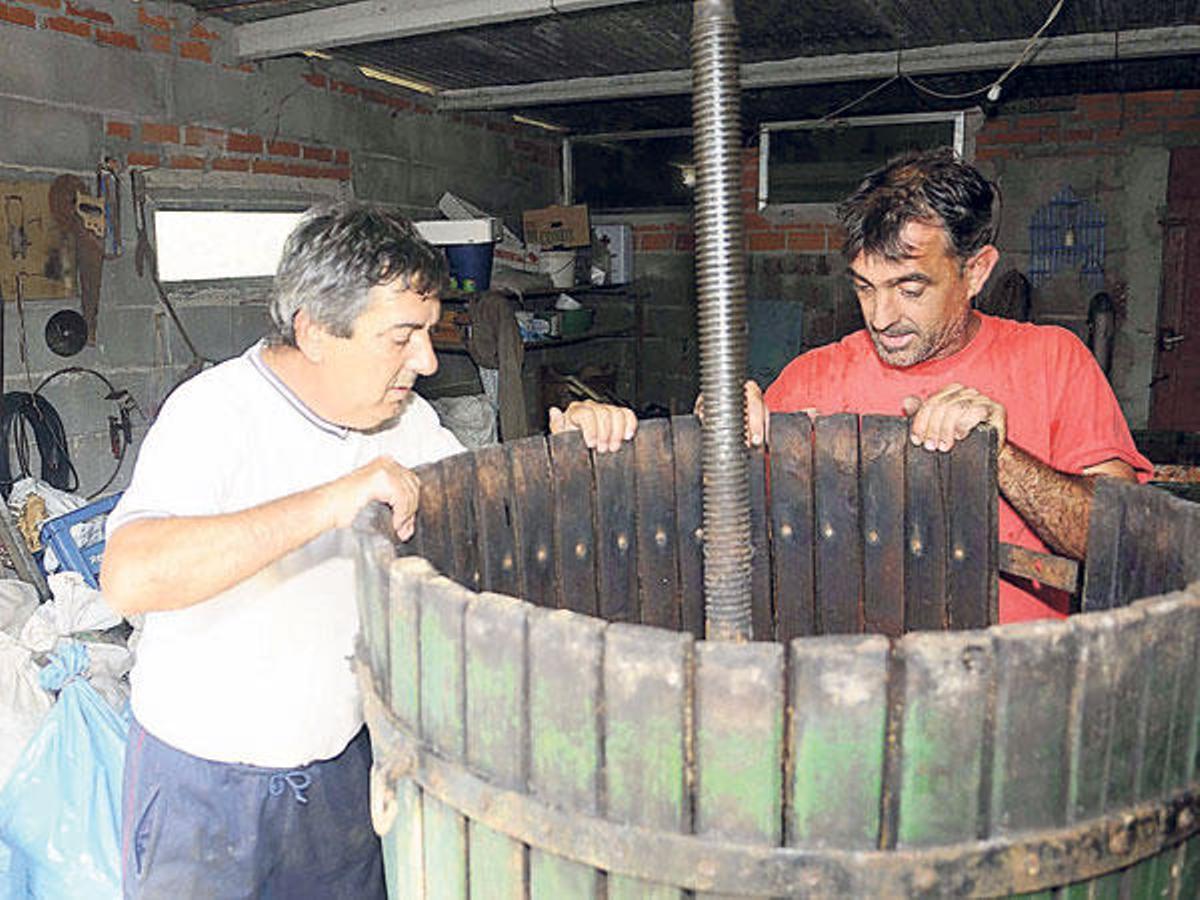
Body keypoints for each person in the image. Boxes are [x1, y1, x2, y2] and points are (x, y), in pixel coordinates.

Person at [100, 202, 637, 898]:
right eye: (402, 336)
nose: (428, 358)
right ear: (316, 332)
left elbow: (483, 521)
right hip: (206, 792)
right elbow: (129, 576)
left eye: (429, 330)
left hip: (342, 777)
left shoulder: (405, 418)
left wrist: (566, 457)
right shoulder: (215, 413)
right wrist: (331, 500)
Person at [736, 148, 1151, 623]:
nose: (881, 317)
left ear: (974, 271)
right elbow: (733, 540)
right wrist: (727, 445)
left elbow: (1125, 542)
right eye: (865, 287)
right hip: (853, 675)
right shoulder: (813, 375)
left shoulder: (1053, 361)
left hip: (1016, 677)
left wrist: (999, 457)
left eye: (910, 290)